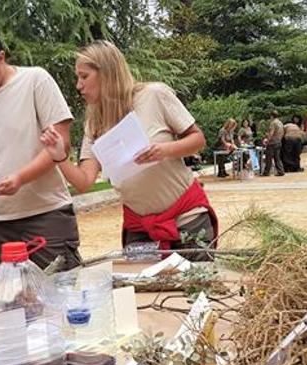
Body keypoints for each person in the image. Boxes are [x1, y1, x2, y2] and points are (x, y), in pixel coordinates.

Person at [41, 40, 217, 258]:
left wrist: (164, 150)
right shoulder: (93, 124)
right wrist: (59, 157)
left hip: (187, 219)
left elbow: (198, 139)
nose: (78, 85)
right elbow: (84, 182)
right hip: (139, 229)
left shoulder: (154, 95)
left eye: (84, 76)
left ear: (107, 72)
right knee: (143, 292)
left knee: (196, 290)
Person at [0, 22, 82, 271]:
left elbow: (61, 141)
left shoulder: (35, 80)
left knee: (61, 295)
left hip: (46, 213)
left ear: (1, 56)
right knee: (8, 305)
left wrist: (20, 178)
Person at [262, 110, 284, 176]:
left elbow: (271, 133)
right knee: (277, 157)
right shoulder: (280, 123)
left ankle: (266, 172)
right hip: (278, 141)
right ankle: (281, 171)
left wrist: (267, 140)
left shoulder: (273, 123)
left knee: (268, 158)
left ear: (271, 116)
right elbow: (282, 132)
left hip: (272, 143)